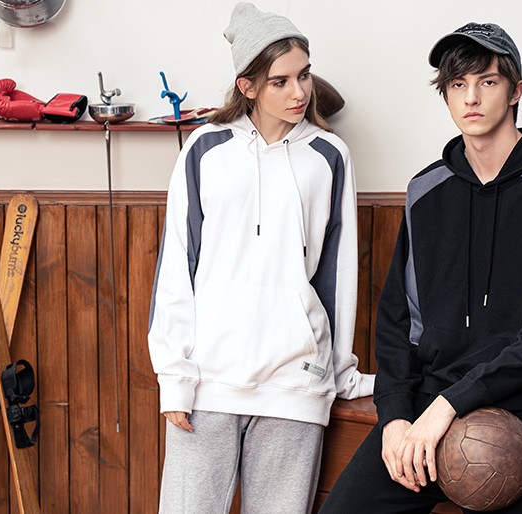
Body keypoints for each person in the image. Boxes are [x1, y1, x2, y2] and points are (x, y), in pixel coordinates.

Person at [319, 22, 522, 514]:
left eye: (487, 81)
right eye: (457, 84)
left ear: (516, 91)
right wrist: (396, 417)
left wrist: (450, 406)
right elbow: (398, 319)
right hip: (434, 396)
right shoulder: (426, 190)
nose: (471, 97)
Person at [147, 3, 374, 513]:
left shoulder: (329, 156)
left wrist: (335, 371)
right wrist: (175, 377)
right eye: (280, 81)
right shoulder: (204, 150)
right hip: (207, 381)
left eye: (304, 75)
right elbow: (178, 265)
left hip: (294, 384)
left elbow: (339, 275)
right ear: (247, 86)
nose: (299, 93)